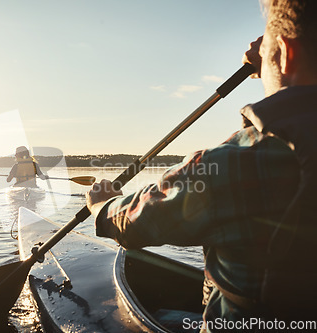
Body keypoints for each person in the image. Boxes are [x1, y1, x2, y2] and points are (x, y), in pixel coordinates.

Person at [86, 0, 317, 330]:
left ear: (285, 51)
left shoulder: (235, 163)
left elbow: (136, 222)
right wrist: (275, 59)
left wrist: (102, 206)